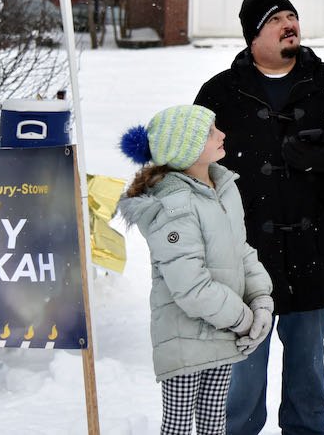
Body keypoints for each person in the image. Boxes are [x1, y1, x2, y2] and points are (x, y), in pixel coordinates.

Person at [194, 0, 324, 435]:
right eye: (275, 19)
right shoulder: (220, 92)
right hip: (241, 255)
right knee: (241, 370)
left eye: (291, 15)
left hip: (315, 248)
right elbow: (191, 160)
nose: (288, 23)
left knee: (307, 369)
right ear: (253, 35)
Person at [117, 104, 275, 435]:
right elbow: (190, 286)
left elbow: (241, 250)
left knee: (213, 423)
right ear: (184, 149)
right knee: (178, 426)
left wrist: (260, 300)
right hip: (185, 338)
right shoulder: (174, 204)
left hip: (223, 331)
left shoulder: (223, 187)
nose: (222, 134)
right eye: (209, 132)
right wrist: (244, 321)